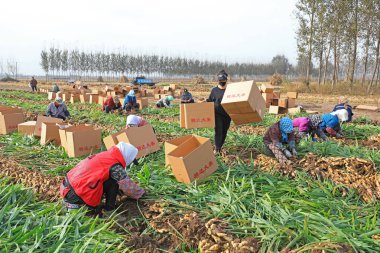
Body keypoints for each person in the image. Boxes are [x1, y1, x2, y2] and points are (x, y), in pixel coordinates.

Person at [60, 142, 145, 212]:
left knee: (111, 180)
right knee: (114, 183)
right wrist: (142, 194)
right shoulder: (115, 166)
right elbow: (129, 187)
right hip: (77, 195)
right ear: (127, 156)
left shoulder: (106, 156)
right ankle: (109, 210)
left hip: (67, 187)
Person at [206, 70, 231, 153]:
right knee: (218, 131)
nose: (222, 82)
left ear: (226, 80)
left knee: (224, 131)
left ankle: (220, 146)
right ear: (218, 81)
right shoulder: (214, 90)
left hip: (227, 115)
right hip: (217, 114)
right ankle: (217, 148)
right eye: (220, 81)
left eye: (223, 81)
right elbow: (209, 101)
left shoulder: (229, 90)